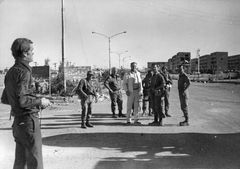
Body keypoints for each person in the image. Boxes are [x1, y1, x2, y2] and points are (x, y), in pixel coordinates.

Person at [1, 38, 51, 169]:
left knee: (20, 163)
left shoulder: (11, 72)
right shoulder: (25, 72)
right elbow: (22, 100)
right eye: (32, 51)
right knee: (35, 163)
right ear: (24, 53)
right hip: (29, 123)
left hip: (18, 123)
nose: (33, 53)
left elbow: (5, 98)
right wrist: (41, 101)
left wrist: (30, 99)